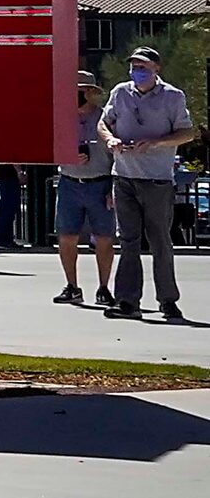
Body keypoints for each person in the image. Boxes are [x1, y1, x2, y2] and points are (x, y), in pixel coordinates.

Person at [98, 45, 195, 322]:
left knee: (160, 241)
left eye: (142, 67)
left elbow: (186, 133)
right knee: (128, 240)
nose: (137, 71)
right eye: (134, 66)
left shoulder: (172, 97)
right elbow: (104, 123)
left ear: (156, 69)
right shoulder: (120, 92)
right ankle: (127, 301)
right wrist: (110, 140)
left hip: (157, 180)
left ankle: (168, 300)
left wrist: (156, 143)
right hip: (124, 176)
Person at [53, 69, 116, 307]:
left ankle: (103, 287)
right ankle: (72, 286)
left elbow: (115, 155)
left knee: (104, 238)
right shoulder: (62, 118)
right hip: (70, 182)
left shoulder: (105, 119)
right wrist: (66, 156)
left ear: (90, 93)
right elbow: (52, 149)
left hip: (100, 183)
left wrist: (113, 187)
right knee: (67, 236)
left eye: (79, 91)